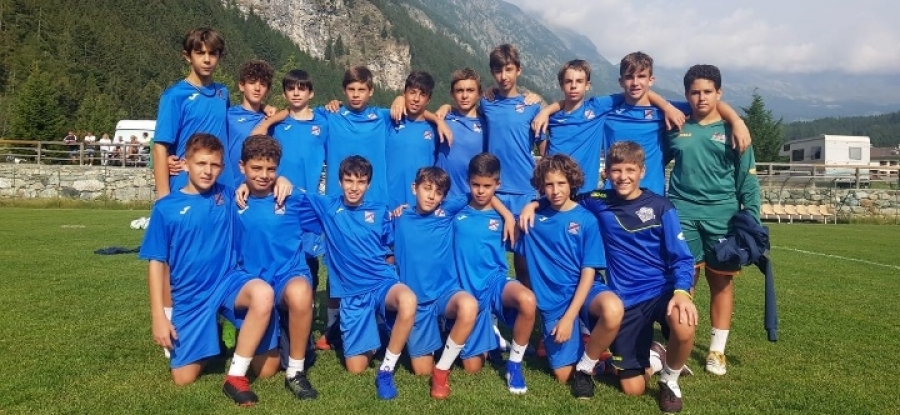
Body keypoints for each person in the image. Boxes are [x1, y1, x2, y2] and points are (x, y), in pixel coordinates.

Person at [139, 133, 277, 406]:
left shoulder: (227, 195)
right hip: (191, 296)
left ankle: (235, 376)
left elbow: (259, 181)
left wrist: (282, 180)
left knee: (263, 299)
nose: (208, 171)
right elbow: (156, 264)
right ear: (185, 164)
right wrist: (159, 316)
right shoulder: (166, 208)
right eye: (201, 163)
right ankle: (211, 335)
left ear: (222, 168)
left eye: (214, 165)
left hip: (229, 282)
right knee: (183, 378)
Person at [533, 52, 751, 195]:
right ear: (621, 82)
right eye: (629, 77)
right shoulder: (607, 109)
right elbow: (573, 105)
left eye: (641, 77)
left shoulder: (666, 110)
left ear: (651, 80)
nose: (635, 82)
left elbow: (708, 103)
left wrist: (736, 121)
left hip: (652, 193)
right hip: (614, 193)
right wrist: (546, 110)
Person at [666, 64, 760, 377]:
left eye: (708, 91)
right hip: (683, 214)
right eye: (695, 92)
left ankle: (717, 351)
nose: (701, 97)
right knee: (684, 282)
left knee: (721, 282)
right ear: (686, 95)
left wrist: (752, 219)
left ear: (719, 93)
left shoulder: (735, 131)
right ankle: (681, 343)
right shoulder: (677, 126)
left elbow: (748, 181)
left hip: (723, 217)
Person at [300, 155, 418, 400]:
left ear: (368, 184)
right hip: (352, 295)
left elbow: (390, 249)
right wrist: (281, 181)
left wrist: (407, 212)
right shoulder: (328, 207)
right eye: (349, 180)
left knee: (408, 300)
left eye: (361, 181)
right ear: (339, 182)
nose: (354, 187)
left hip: (382, 283)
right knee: (356, 368)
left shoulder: (379, 210)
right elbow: (293, 195)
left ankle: (386, 370)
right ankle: (380, 330)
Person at [516, 154, 624, 398]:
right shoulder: (530, 220)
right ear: (541, 186)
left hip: (586, 290)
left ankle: (587, 361)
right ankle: (598, 356)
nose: (555, 191)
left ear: (572, 182)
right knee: (564, 375)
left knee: (613, 308)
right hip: (554, 300)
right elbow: (519, 258)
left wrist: (569, 318)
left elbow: (588, 272)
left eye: (561, 183)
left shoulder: (587, 220)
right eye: (549, 184)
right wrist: (530, 205)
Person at [391, 167, 494, 399]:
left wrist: (508, 214)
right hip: (418, 302)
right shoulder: (399, 217)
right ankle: (442, 333)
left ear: (444, 197)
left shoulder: (445, 211)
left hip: (446, 293)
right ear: (414, 188)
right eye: (427, 189)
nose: (431, 196)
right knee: (420, 371)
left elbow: (481, 193)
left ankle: (442, 370)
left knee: (469, 306)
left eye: (438, 192)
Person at [234, 135, 322, 400]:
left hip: (288, 275)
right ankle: (281, 330)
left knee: (301, 292)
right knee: (265, 371)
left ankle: (296, 371)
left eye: (271, 169)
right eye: (256, 168)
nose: (264, 175)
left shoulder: (292, 198)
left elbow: (332, 213)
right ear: (242, 167)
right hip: (255, 285)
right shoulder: (233, 200)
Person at [453, 153, 536, 394]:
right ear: (468, 181)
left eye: (487, 186)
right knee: (472, 367)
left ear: (498, 184)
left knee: (527, 300)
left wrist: (520, 210)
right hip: (467, 291)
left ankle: (514, 365)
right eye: (476, 184)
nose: (481, 191)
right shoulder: (456, 208)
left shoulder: (507, 216)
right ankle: (490, 337)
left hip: (495, 283)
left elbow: (545, 208)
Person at [268, 69, 328, 292]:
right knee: (280, 257)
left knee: (309, 260)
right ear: (284, 93)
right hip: (280, 201)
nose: (295, 93)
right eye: (290, 88)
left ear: (311, 93)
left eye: (301, 89)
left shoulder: (323, 123)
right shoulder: (276, 125)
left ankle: (306, 307)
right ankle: (280, 310)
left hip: (309, 204)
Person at [153, 27, 229, 200]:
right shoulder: (174, 96)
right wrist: (164, 199)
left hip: (220, 186)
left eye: (213, 53)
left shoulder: (223, 93)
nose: (207, 59)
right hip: (185, 184)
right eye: (200, 53)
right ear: (188, 56)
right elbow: (160, 148)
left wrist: (264, 108)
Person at [385, 71, 443, 208]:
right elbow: (362, 113)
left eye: (422, 95)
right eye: (412, 92)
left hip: (420, 206)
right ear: (404, 93)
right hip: (389, 203)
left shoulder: (436, 129)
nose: (416, 99)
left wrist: (440, 118)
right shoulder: (389, 120)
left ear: (429, 99)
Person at [435, 68, 486, 198]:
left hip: (471, 198)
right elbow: (419, 114)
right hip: (440, 197)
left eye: (470, 90)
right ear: (452, 94)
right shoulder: (442, 119)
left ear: (479, 94)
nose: (464, 96)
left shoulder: (487, 125)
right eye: (459, 91)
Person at [224, 60, 275, 186]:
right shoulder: (228, 115)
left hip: (257, 190)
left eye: (263, 84)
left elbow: (290, 112)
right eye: (252, 82)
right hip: (228, 186)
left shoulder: (271, 119)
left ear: (268, 90)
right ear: (242, 85)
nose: (257, 88)